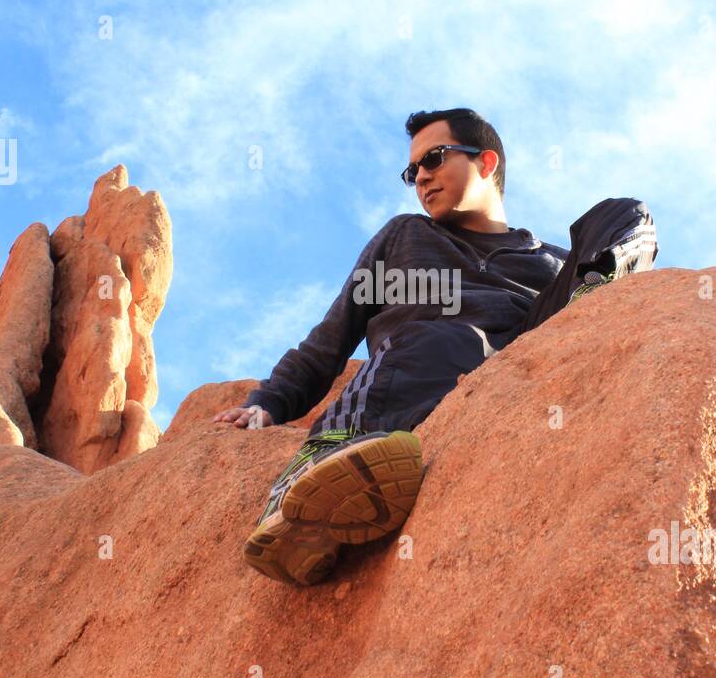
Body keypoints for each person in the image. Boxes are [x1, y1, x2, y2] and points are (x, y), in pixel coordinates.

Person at [213, 108, 658, 586]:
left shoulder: (550, 260)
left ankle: (595, 307)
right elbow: (330, 337)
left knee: (625, 213)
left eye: (433, 159)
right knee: (437, 335)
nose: (420, 178)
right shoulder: (406, 236)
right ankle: (310, 486)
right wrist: (267, 403)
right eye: (412, 171)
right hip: (427, 362)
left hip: (533, 343)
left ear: (486, 163)